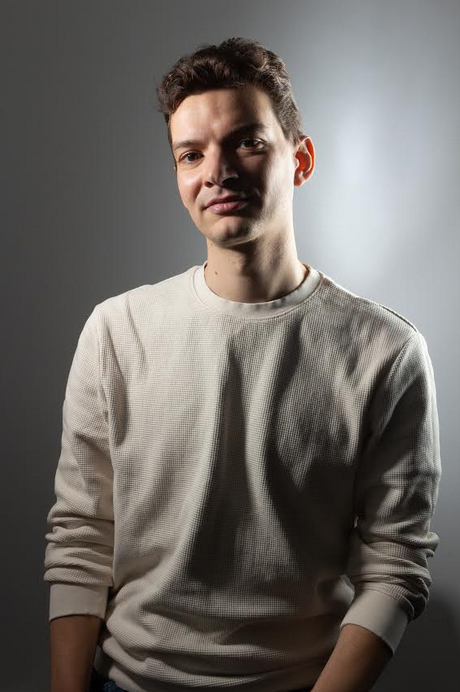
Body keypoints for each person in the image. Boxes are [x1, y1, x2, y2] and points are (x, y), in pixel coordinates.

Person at [43, 37, 442, 692]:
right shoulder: (115, 331)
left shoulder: (386, 351)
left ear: (300, 159)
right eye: (191, 154)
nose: (217, 172)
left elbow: (395, 567)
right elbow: (81, 539)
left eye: (246, 143)